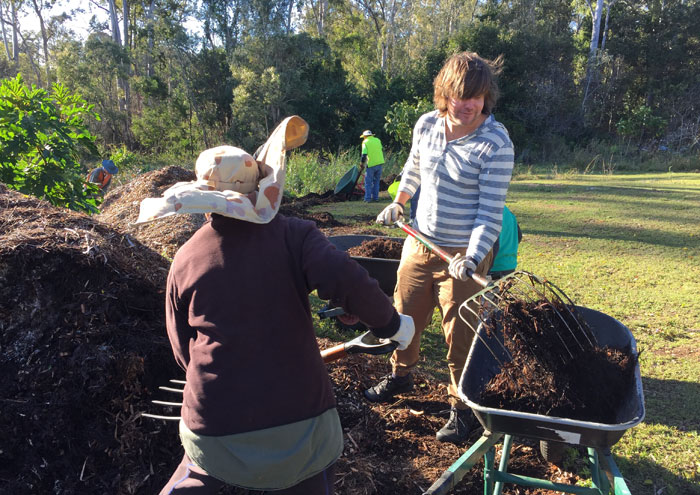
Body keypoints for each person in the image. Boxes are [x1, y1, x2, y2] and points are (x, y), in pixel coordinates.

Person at [136, 116, 415, 494]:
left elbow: (183, 351)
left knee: (197, 480)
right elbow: (348, 280)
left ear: (205, 199)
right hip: (301, 424)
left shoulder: (185, 259)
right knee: (310, 480)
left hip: (216, 427)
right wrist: (390, 325)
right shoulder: (295, 236)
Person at [366, 51, 515, 444]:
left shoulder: (496, 144)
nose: (467, 105)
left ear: (486, 97)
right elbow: (412, 171)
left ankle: (462, 407)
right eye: (459, 96)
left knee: (460, 333)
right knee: (403, 317)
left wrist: (473, 254)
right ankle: (400, 376)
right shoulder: (427, 125)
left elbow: (490, 212)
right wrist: (399, 201)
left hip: (465, 254)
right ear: (444, 93)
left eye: (476, 97)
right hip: (419, 241)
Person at [488, 205, 522, 280]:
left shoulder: (486, 212)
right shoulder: (507, 211)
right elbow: (519, 237)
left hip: (493, 271)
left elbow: (493, 245)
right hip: (510, 267)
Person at [359, 130, 385, 202]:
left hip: (371, 164)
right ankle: (375, 198)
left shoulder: (365, 142)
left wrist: (362, 163)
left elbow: (364, 154)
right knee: (376, 182)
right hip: (380, 163)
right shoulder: (377, 140)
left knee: (368, 182)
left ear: (365, 136)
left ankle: (367, 198)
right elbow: (379, 149)